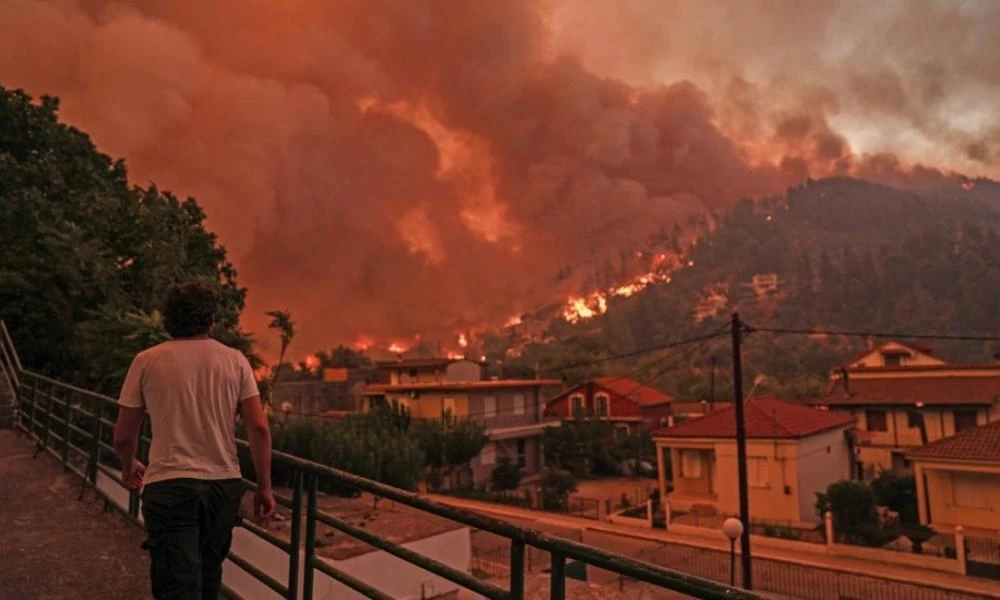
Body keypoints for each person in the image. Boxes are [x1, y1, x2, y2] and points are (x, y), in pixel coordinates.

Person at [113, 281, 275, 600]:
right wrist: (264, 487)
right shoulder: (235, 360)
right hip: (223, 486)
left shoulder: (146, 360)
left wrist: (128, 464)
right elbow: (258, 428)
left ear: (168, 319)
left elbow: (122, 435)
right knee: (209, 575)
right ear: (211, 319)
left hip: (170, 486)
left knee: (176, 583)